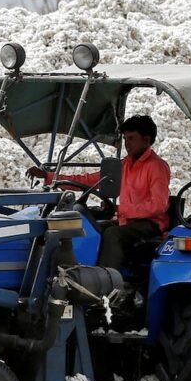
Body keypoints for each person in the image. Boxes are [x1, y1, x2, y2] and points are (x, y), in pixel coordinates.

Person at [27, 115, 171, 270]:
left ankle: (107, 281)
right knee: (90, 228)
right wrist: (49, 176)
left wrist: (122, 210)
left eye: (131, 138)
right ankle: (74, 273)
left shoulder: (157, 167)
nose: (127, 144)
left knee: (112, 235)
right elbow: (90, 180)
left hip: (151, 225)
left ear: (147, 140)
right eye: (125, 139)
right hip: (127, 221)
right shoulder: (124, 165)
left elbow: (158, 205)